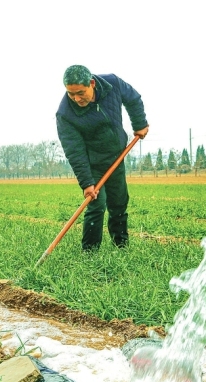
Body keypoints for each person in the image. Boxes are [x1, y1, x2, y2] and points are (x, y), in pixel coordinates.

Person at [56, 64, 149, 251]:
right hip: (92, 164)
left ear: (91, 83)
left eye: (80, 93)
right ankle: (90, 252)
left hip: (116, 156)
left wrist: (140, 124)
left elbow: (133, 99)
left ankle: (120, 246)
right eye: (71, 94)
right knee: (96, 206)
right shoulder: (65, 114)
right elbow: (74, 150)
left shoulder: (112, 83)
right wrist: (87, 182)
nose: (76, 98)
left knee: (119, 203)